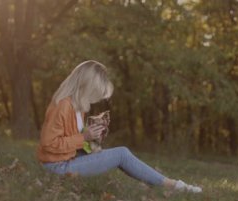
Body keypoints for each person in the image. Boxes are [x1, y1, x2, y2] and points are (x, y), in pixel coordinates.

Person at [36, 60, 202, 193]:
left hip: (69, 160)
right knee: (121, 154)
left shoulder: (78, 107)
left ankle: (169, 184)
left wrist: (93, 139)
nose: (96, 99)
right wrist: (84, 137)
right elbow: (49, 144)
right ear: (86, 86)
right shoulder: (63, 106)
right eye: (95, 93)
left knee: (120, 155)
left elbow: (76, 146)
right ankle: (172, 185)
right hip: (57, 167)